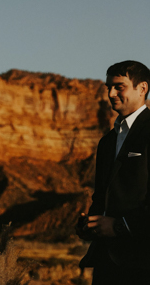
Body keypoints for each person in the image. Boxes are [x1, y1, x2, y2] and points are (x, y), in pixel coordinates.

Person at [77, 60, 150, 284]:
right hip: (106, 262)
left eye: (119, 86)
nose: (110, 93)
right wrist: (90, 224)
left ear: (142, 89)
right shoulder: (107, 142)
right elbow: (102, 195)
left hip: (143, 261)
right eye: (108, 86)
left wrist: (120, 226)